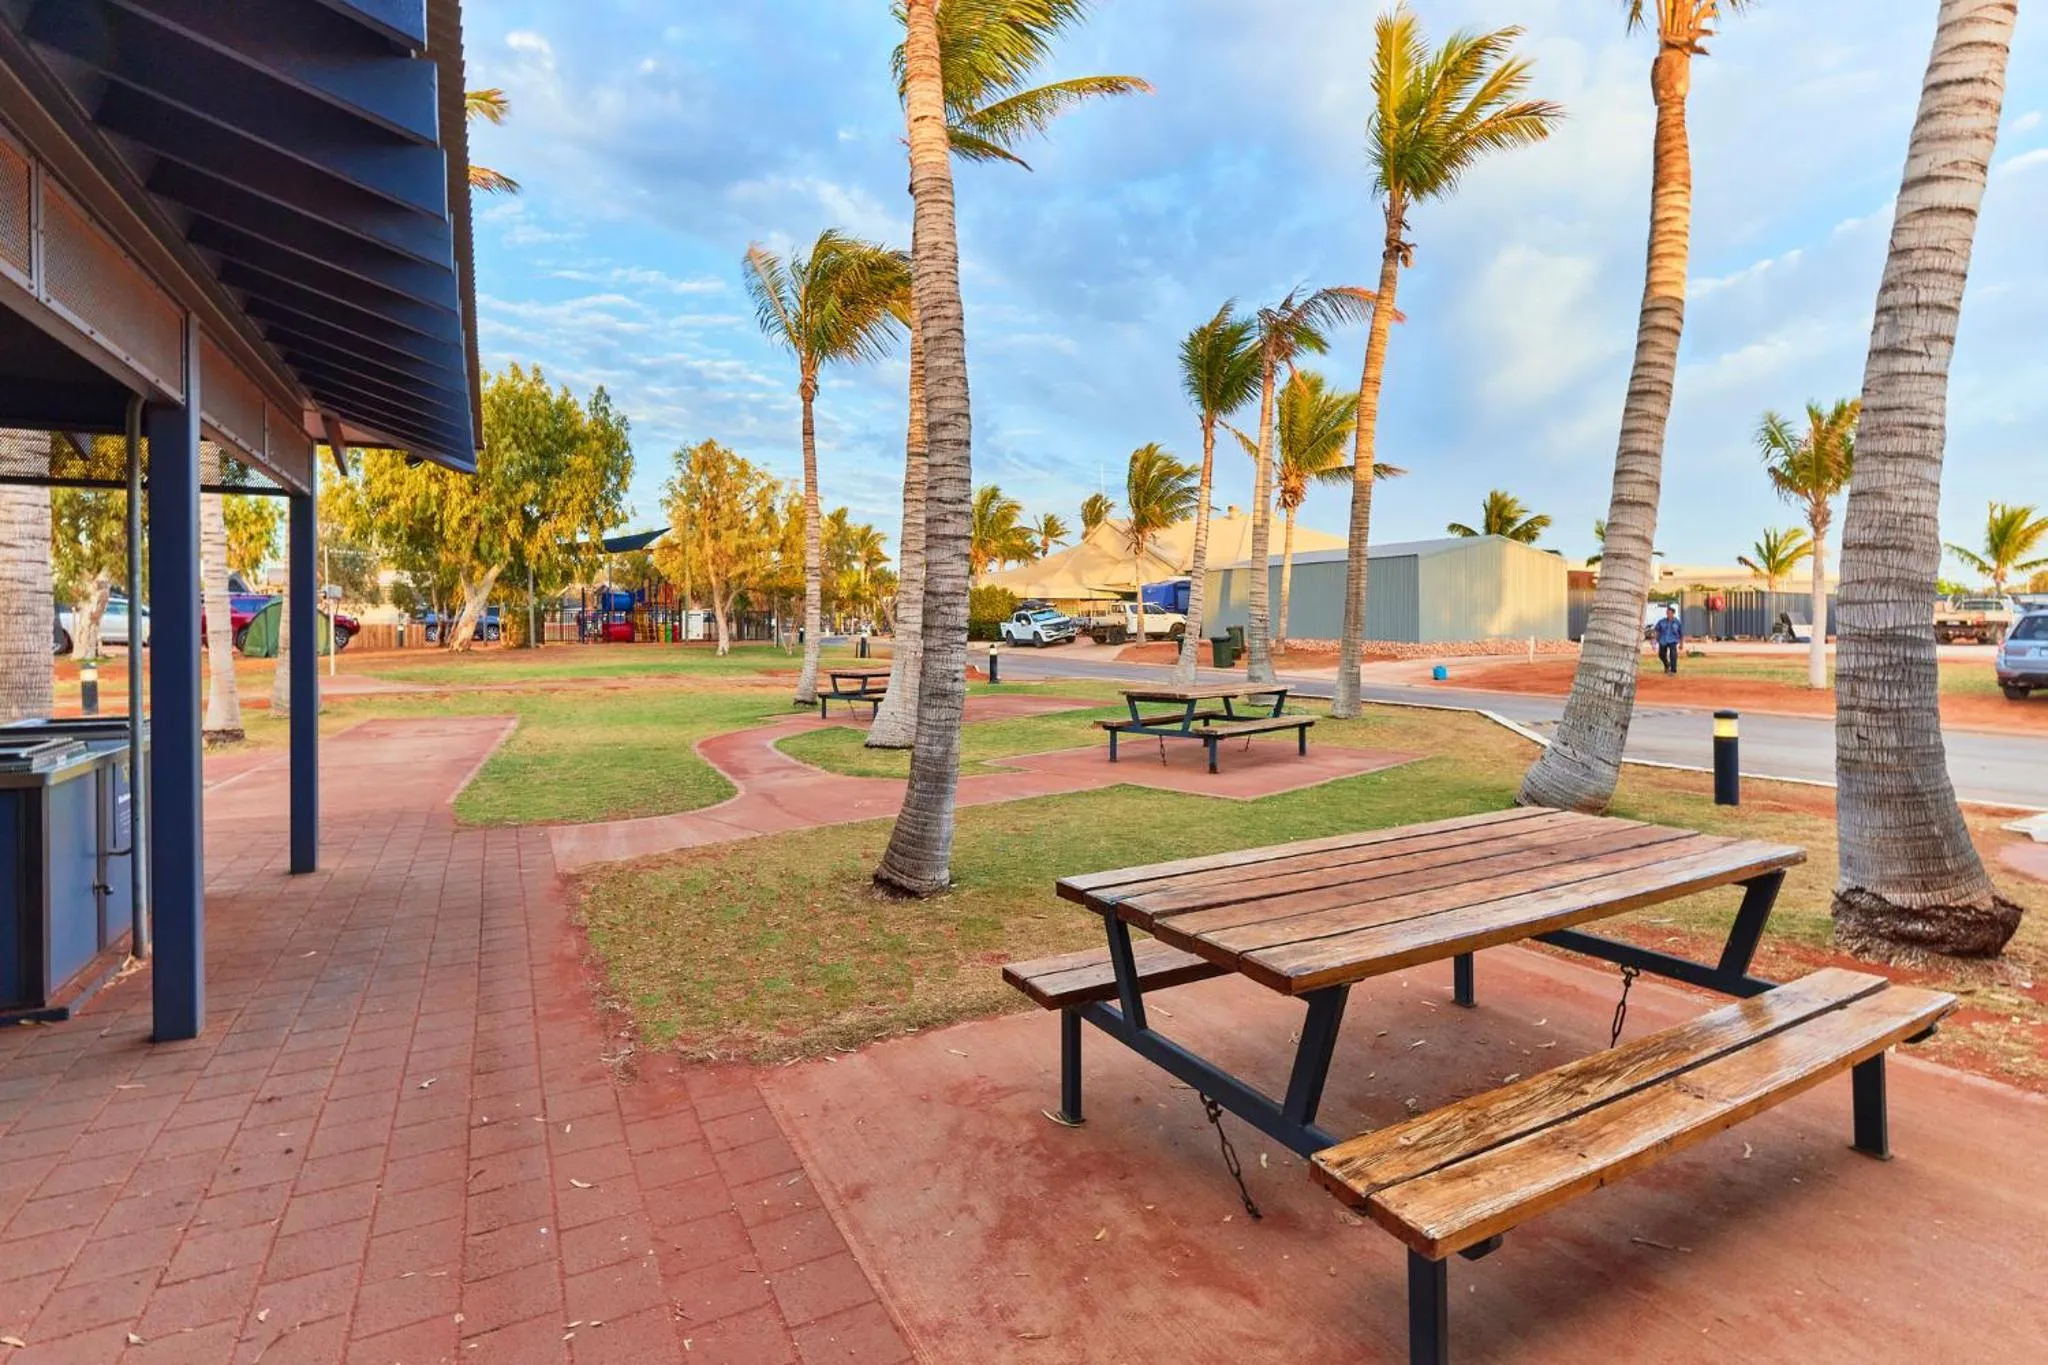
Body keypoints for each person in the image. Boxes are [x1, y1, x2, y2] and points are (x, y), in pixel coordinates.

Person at [1653, 605, 1683, 675]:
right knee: (1661, 655)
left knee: (1673, 654)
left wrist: (1681, 644)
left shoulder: (1677, 622)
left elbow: (1681, 634)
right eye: (1667, 613)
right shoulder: (1662, 621)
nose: (1668, 614)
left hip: (1673, 640)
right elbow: (1656, 630)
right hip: (1663, 640)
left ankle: (1673, 670)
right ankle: (1667, 665)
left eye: (1669, 613)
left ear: (1673, 613)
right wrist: (1655, 640)